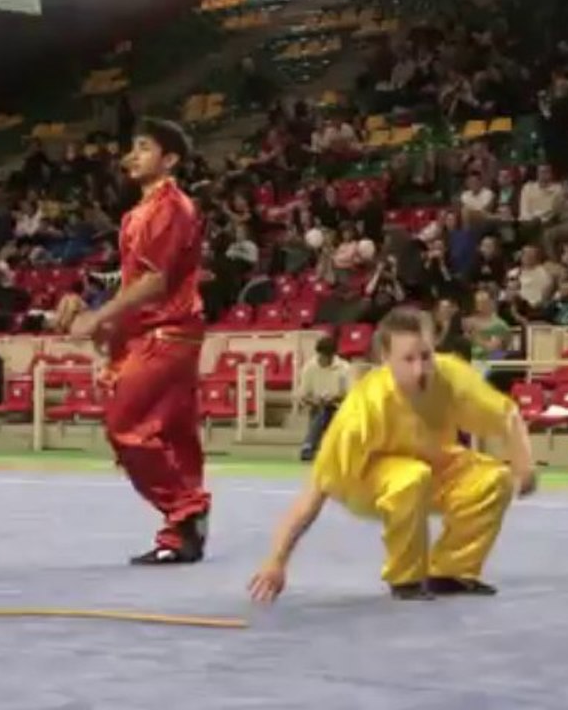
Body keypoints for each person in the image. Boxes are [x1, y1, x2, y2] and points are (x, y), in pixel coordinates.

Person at [248, 307, 538, 603]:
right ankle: (405, 578)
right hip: (367, 481)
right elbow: (314, 491)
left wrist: (524, 462)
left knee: (494, 478)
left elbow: (507, 414)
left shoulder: (450, 374)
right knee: (411, 478)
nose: (419, 370)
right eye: (408, 359)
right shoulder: (364, 408)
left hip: (435, 465)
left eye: (425, 356)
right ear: (385, 359)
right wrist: (277, 560)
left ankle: (451, 572)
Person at [70, 117, 210, 565]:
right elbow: (134, 275)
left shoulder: (167, 207)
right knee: (175, 432)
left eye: (144, 148)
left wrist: (100, 315)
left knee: (126, 426)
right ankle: (183, 533)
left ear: (170, 159)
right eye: (133, 147)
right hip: (164, 331)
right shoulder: (143, 212)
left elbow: (154, 281)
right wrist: (90, 290)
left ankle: (185, 511)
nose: (132, 156)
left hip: (164, 332)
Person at [296, 336, 351, 462]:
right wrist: (311, 400)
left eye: (326, 357)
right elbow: (303, 393)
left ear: (332, 356)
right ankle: (309, 447)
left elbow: (350, 393)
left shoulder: (344, 369)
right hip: (317, 407)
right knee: (321, 411)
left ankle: (308, 446)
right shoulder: (309, 368)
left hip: (339, 407)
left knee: (327, 409)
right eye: (321, 356)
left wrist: (335, 398)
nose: (323, 360)